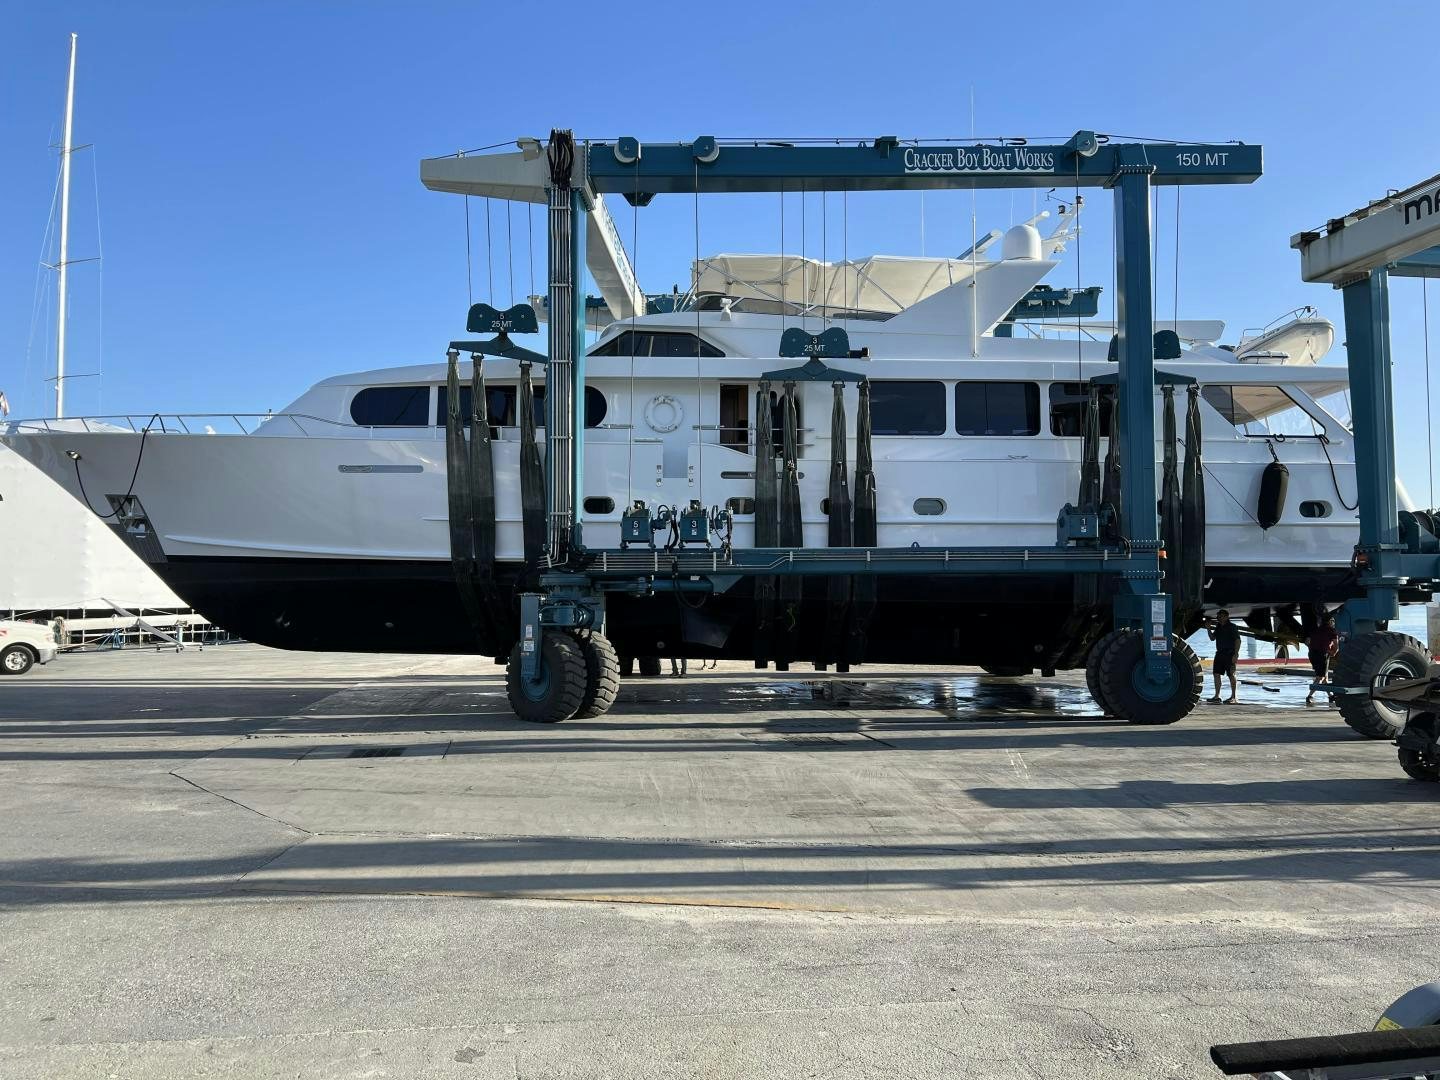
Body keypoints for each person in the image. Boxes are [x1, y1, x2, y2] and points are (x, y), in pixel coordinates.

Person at [1304, 614, 1340, 707]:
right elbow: (1336, 646)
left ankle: (1330, 696)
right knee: (1320, 677)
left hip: (1312, 654)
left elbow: (1307, 642)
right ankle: (1310, 696)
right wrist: (1332, 653)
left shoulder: (1315, 629)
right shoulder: (1332, 631)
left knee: (1324, 676)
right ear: (1330, 622)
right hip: (1322, 655)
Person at [1207, 609, 1241, 703]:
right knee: (1216, 674)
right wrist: (1208, 628)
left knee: (1231, 674)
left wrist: (1236, 654)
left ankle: (1233, 697)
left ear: (1226, 617)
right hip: (1219, 653)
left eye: (1221, 616)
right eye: (1218, 616)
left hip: (1229, 653)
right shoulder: (1218, 627)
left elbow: (1238, 640)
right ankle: (1217, 696)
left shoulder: (1232, 627)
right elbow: (1212, 638)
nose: (1219, 618)